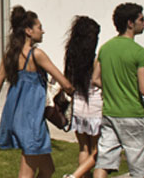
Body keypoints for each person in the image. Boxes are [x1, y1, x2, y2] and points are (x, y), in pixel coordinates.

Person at [0, 5, 73, 178]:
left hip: (16, 116)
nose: (43, 31)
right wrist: (74, 92)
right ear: (28, 31)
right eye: (39, 27)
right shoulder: (36, 54)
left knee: (48, 170)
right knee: (26, 173)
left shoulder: (10, 56)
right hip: (32, 120)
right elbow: (65, 83)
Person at [92, 3, 144, 178]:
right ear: (130, 23)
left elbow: (95, 79)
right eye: (141, 19)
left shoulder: (105, 48)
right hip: (134, 116)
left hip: (110, 114)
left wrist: (112, 88)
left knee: (104, 162)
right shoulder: (140, 53)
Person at [61, 16, 102, 178]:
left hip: (78, 106)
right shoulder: (96, 59)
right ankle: (75, 176)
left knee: (83, 148)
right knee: (97, 151)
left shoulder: (71, 56)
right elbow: (98, 81)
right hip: (95, 105)